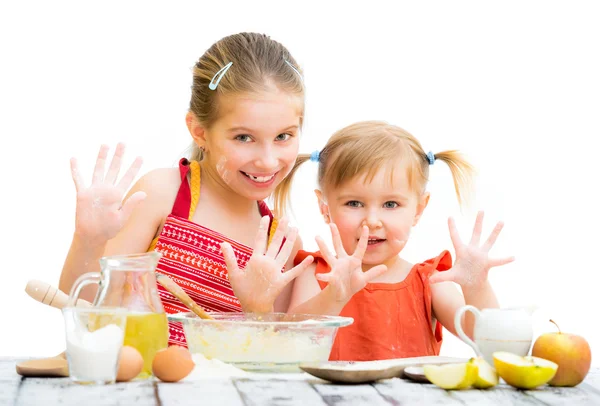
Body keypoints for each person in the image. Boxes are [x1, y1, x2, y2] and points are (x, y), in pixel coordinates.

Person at [59, 32, 314, 346]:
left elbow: (271, 356)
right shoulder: (160, 195)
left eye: (284, 136)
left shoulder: (281, 244)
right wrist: (89, 241)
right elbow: (88, 316)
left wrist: (258, 310)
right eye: (243, 138)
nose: (267, 160)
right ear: (199, 132)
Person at [277, 121, 514, 361]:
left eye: (390, 204)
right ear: (324, 207)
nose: (372, 221)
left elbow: (490, 341)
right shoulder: (315, 273)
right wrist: (334, 296)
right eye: (354, 203)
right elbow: (291, 343)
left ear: (419, 209)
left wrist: (477, 286)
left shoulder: (430, 281)